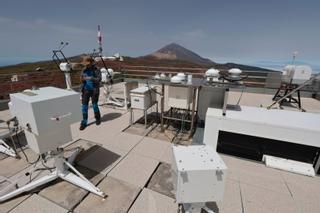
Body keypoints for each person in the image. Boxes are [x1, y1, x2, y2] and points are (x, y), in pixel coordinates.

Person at [79, 56, 102, 130]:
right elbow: (81, 79)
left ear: (92, 63)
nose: (86, 65)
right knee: (84, 107)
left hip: (94, 90)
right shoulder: (84, 69)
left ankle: (98, 118)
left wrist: (92, 78)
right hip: (85, 90)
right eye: (85, 64)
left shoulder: (97, 69)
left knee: (95, 105)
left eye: (88, 64)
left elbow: (99, 79)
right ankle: (84, 122)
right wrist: (83, 79)